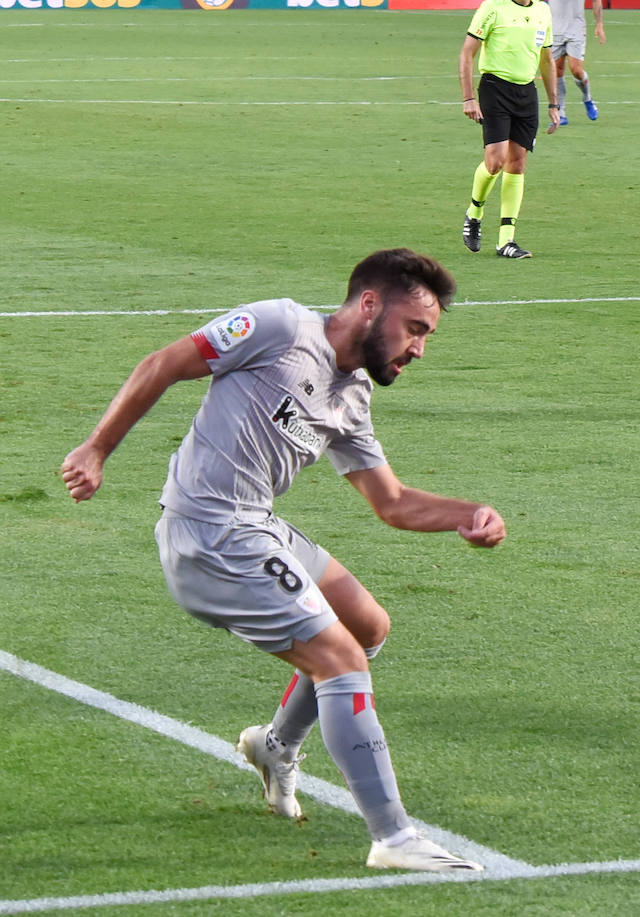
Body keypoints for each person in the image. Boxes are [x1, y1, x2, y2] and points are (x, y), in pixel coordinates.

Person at [60, 249, 507, 871]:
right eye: (416, 329)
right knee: (339, 658)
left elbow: (394, 501)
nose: (419, 349)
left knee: (366, 627)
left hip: (256, 525)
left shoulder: (352, 394)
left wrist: (469, 512)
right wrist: (96, 449)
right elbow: (163, 364)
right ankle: (394, 838)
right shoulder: (278, 327)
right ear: (370, 304)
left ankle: (275, 747)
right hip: (210, 533)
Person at [459, 0, 561, 260]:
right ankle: (475, 212)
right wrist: (468, 98)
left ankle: (506, 240)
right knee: (495, 162)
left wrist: (553, 103)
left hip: (526, 93)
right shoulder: (492, 7)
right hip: (495, 88)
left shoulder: (542, 10)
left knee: (517, 164)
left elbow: (546, 59)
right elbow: (467, 53)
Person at [548, 0, 605, 127]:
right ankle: (561, 113)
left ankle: (587, 98)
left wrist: (599, 24)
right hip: (554, 30)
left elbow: (596, 1)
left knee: (576, 70)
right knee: (557, 70)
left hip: (576, 30)